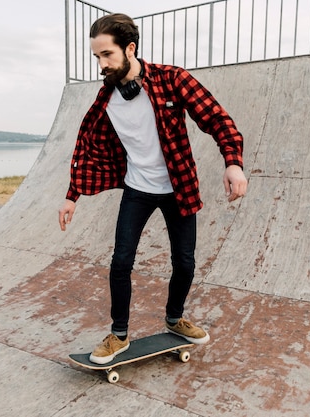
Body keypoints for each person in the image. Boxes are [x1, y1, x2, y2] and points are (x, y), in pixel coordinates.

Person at [58, 13, 247, 365]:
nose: (101, 64)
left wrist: (232, 162)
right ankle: (118, 335)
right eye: (96, 57)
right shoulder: (105, 100)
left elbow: (216, 118)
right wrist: (72, 196)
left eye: (107, 55)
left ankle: (175, 319)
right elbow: (85, 148)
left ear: (130, 48)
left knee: (185, 264)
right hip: (137, 189)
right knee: (121, 262)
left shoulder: (172, 80)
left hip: (178, 188)